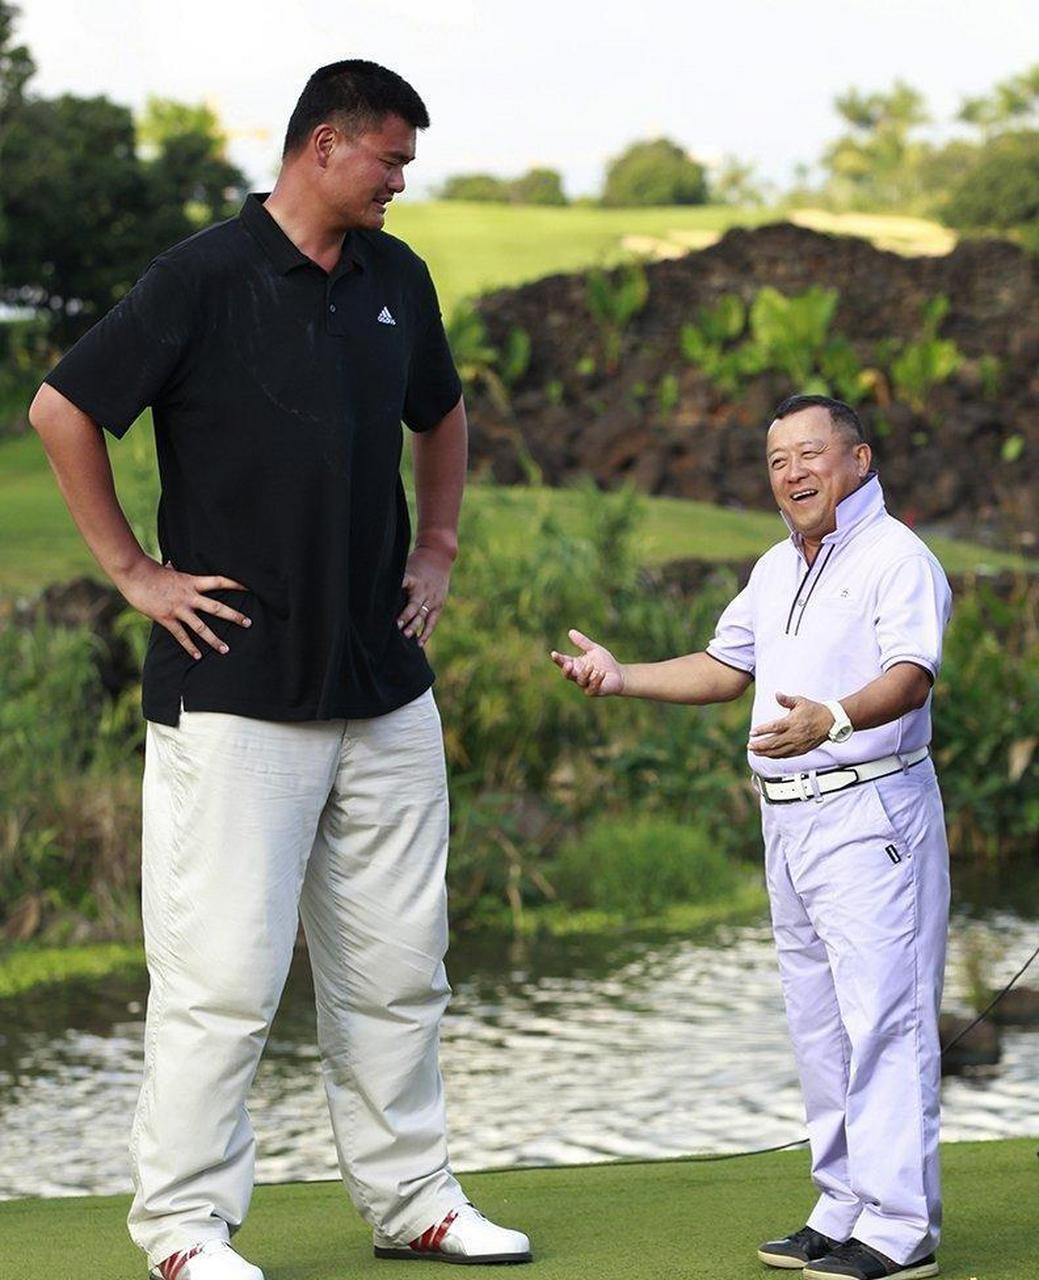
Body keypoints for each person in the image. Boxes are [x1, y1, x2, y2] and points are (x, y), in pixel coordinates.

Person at [29, 59, 530, 1280]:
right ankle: (186, 1230)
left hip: (384, 685)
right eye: (389, 161)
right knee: (220, 983)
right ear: (322, 146)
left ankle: (412, 1198)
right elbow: (62, 407)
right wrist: (134, 572)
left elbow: (443, 411)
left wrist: (443, 543)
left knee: (402, 970)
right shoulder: (198, 278)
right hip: (235, 689)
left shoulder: (395, 277)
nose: (401, 183)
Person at [551, 395, 950, 1280]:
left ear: (860, 460)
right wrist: (621, 679)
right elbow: (727, 667)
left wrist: (832, 720)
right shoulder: (776, 567)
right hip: (788, 816)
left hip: (869, 809)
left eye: (812, 454)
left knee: (883, 1019)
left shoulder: (897, 558)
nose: (794, 473)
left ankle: (899, 1226)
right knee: (819, 1024)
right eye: (777, 461)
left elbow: (911, 675)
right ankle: (842, 1204)